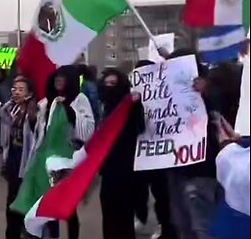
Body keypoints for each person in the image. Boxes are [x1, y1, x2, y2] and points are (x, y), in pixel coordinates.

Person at [165, 50, 221, 239]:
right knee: (183, 225)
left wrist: (207, 93)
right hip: (176, 169)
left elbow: (224, 115)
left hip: (201, 171)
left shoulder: (211, 90)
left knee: (202, 227)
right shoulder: (168, 92)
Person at [35, 65, 96, 239]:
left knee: (69, 205)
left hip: (70, 158)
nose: (58, 83)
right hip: (49, 157)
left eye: (62, 79)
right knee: (49, 201)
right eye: (56, 79)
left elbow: (88, 130)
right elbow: (41, 129)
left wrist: (70, 111)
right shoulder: (48, 102)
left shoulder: (80, 99)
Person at [130, 60, 177, 239]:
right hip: (142, 152)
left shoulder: (164, 93)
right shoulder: (132, 96)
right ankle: (141, 217)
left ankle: (163, 225)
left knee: (162, 194)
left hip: (161, 153)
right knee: (139, 191)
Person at [98, 68, 145, 239]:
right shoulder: (104, 108)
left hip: (127, 172)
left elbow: (141, 127)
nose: (110, 88)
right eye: (107, 84)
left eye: (114, 84)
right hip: (108, 172)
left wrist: (135, 105)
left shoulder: (131, 106)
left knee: (124, 218)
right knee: (109, 217)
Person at [0, 77, 37, 239]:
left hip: (27, 161)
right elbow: (2, 118)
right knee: (12, 200)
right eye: (14, 88)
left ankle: (28, 232)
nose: (16, 92)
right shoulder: (10, 109)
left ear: (29, 93)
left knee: (27, 201)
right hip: (13, 158)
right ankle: (12, 233)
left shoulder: (34, 110)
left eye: (21, 89)